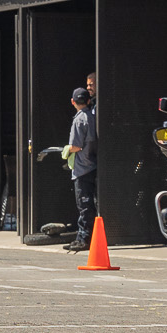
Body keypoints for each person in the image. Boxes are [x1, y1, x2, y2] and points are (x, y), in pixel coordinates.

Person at [64, 87, 97, 252]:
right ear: (88, 101)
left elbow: (76, 146)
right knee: (90, 203)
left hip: (82, 168)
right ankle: (86, 237)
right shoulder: (92, 116)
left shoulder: (79, 120)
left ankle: (83, 239)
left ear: (72, 102)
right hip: (92, 164)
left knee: (83, 204)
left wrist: (67, 150)